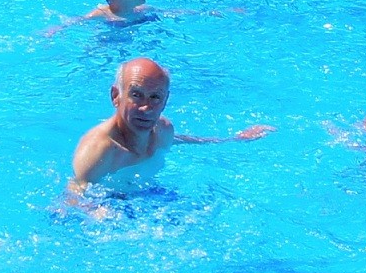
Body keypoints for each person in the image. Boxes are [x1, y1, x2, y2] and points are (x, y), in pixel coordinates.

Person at [69, 57, 273, 190]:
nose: (146, 108)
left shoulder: (162, 131)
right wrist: (98, 214)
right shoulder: (99, 151)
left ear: (166, 100)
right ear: (116, 96)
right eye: (136, 95)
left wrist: (233, 140)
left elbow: (179, 140)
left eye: (155, 97)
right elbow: (73, 193)